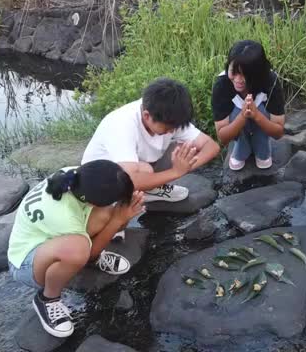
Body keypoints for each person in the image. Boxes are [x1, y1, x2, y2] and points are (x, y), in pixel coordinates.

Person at [7, 160, 145, 337]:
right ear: (91, 201)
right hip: (25, 264)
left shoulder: (74, 175)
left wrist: (120, 212)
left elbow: (104, 209)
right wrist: (119, 220)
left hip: (51, 240)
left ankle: (83, 261)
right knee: (78, 250)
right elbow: (84, 253)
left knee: (106, 214)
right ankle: (47, 299)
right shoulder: (62, 214)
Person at [82, 77, 220, 239]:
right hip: (102, 182)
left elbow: (211, 146)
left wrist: (186, 166)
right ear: (147, 116)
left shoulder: (169, 114)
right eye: (168, 128)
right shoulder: (122, 124)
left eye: (174, 128)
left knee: (182, 149)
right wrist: (176, 172)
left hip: (137, 168)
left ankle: (150, 189)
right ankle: (118, 217)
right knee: (113, 221)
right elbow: (131, 179)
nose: (172, 132)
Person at [211, 40, 286, 170]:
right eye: (233, 72)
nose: (238, 80)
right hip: (237, 120)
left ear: (258, 73)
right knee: (236, 112)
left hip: (261, 116)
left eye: (245, 74)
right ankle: (242, 148)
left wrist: (256, 115)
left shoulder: (270, 81)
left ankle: (261, 147)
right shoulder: (222, 84)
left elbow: (278, 133)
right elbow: (222, 137)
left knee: (261, 110)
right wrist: (242, 116)